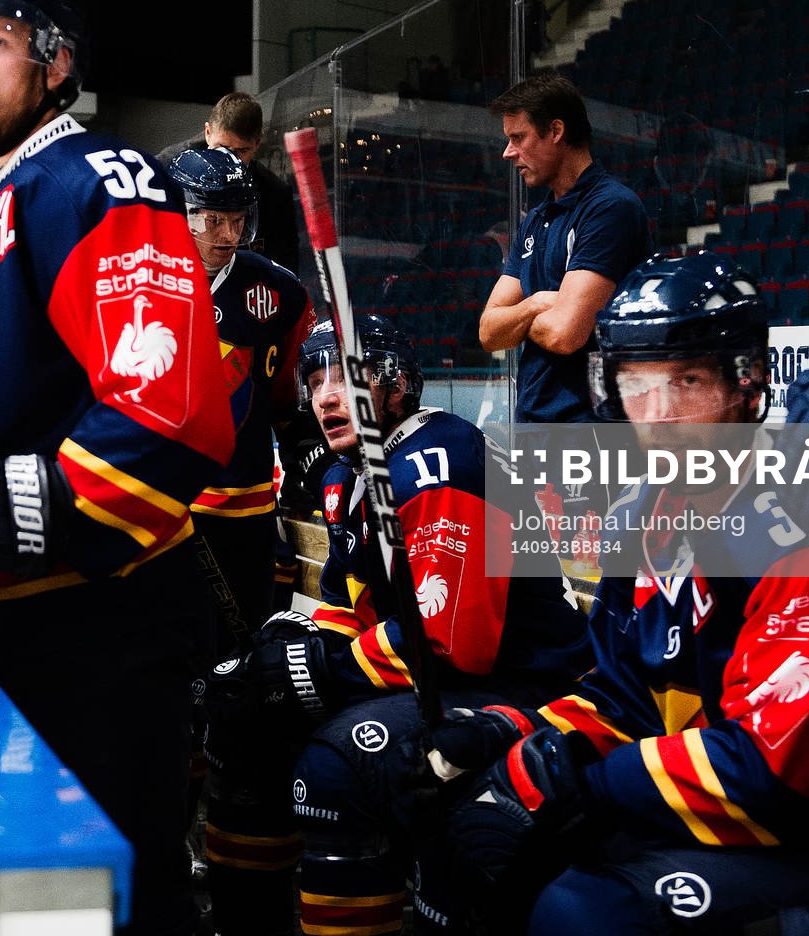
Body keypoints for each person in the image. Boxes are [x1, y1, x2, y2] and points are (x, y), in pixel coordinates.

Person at [0, 0, 235, 936]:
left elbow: (172, 412)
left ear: (55, 64)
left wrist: (11, 503)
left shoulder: (95, 180)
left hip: (99, 635)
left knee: (121, 904)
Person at [437, 253, 809, 932]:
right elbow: (622, 695)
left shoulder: (803, 527)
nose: (659, 414)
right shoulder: (641, 513)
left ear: (746, 386)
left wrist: (591, 784)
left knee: (583, 912)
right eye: (638, 383)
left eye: (689, 380)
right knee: (468, 842)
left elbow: (773, 775)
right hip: (695, 803)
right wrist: (515, 733)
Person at [199, 314, 590, 936]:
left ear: (397, 383)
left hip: (522, 684)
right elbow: (339, 610)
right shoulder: (345, 478)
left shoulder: (438, 462)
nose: (326, 395)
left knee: (338, 763)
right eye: (314, 379)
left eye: (345, 377)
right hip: (432, 670)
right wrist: (285, 654)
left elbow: (452, 643)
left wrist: (320, 669)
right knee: (249, 722)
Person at [165, 145, 320, 633]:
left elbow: (291, 400)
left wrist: (303, 457)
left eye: (237, 220)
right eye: (213, 220)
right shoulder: (144, 278)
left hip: (248, 501)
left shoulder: (282, 293)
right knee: (180, 642)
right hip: (168, 499)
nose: (228, 235)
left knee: (244, 641)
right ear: (180, 213)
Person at [479, 72, 648, 423]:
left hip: (590, 431)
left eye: (518, 137)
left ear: (556, 132)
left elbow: (565, 334)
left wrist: (519, 318)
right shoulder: (535, 220)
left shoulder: (610, 208)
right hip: (532, 422)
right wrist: (539, 302)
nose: (507, 152)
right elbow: (488, 332)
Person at [159, 92, 299, 271]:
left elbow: (285, 270)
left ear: (257, 143)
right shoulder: (165, 168)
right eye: (223, 147)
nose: (230, 158)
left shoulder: (275, 193)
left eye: (242, 151)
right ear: (208, 133)